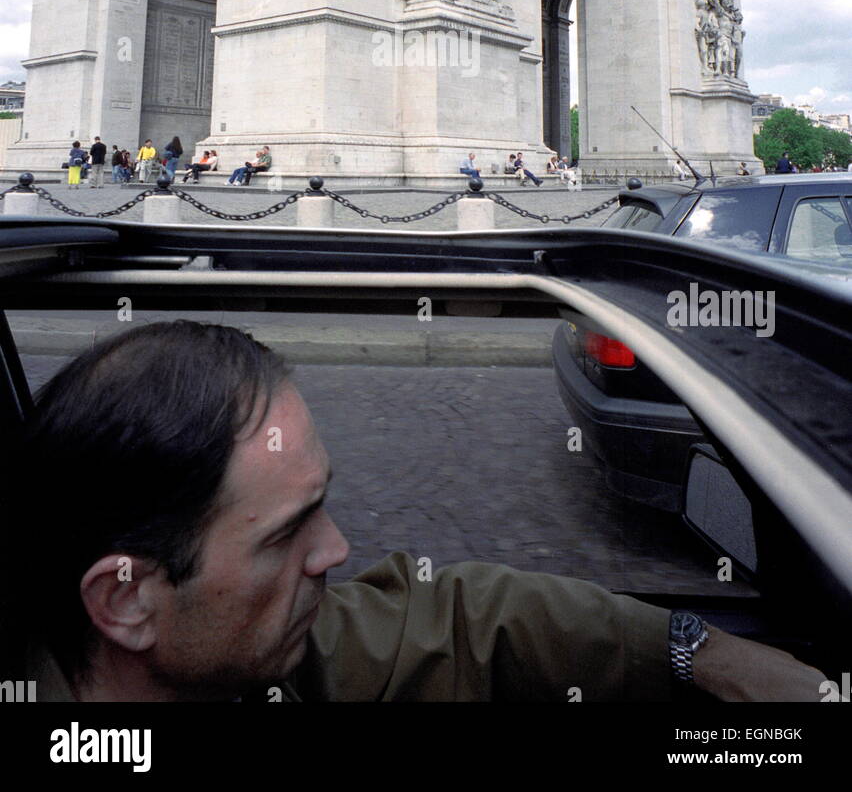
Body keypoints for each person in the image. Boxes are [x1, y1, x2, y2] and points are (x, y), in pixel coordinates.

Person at [1, 321, 827, 703]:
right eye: (286, 535)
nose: (338, 551)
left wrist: (696, 651)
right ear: (124, 599)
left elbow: (464, 619)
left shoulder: (267, 650)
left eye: (319, 509)